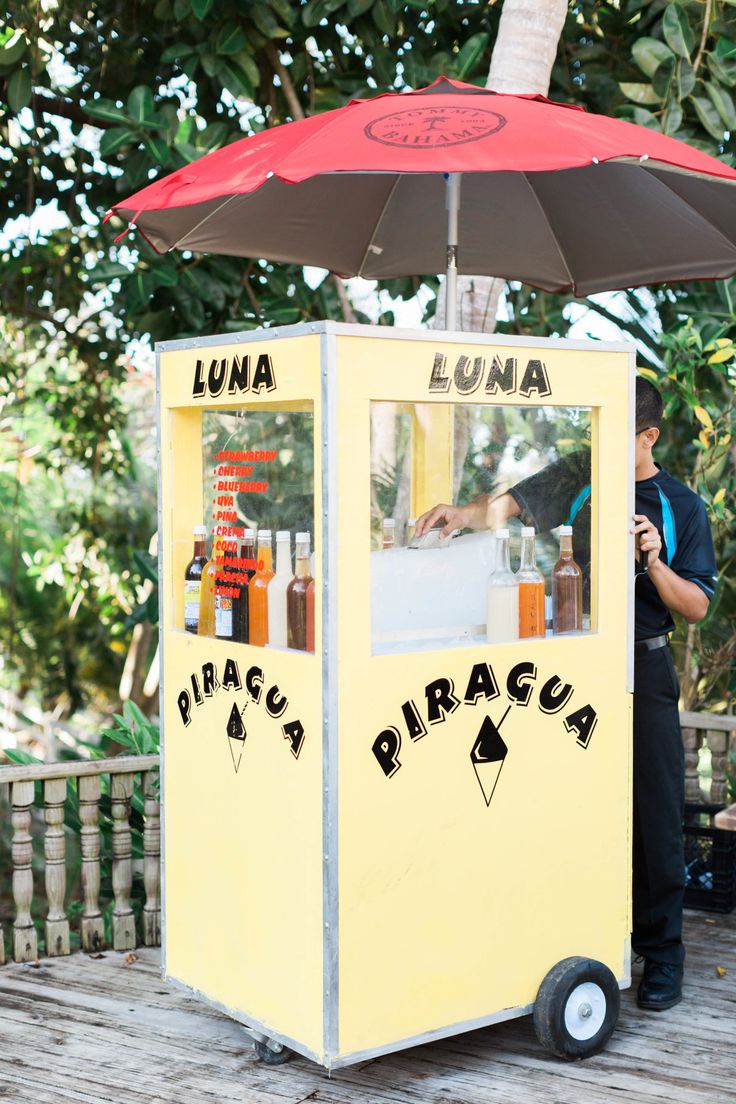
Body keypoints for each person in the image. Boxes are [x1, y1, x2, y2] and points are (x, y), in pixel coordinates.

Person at [415, 377, 718, 1011]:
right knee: (561, 803)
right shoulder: (579, 473)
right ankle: (569, 937)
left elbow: (695, 607)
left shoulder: (679, 505)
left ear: (649, 436)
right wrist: (457, 514)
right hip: (570, 667)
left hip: (644, 670)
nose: (602, 445)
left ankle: (662, 955)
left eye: (618, 433)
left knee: (656, 815)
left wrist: (654, 561)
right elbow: (502, 509)